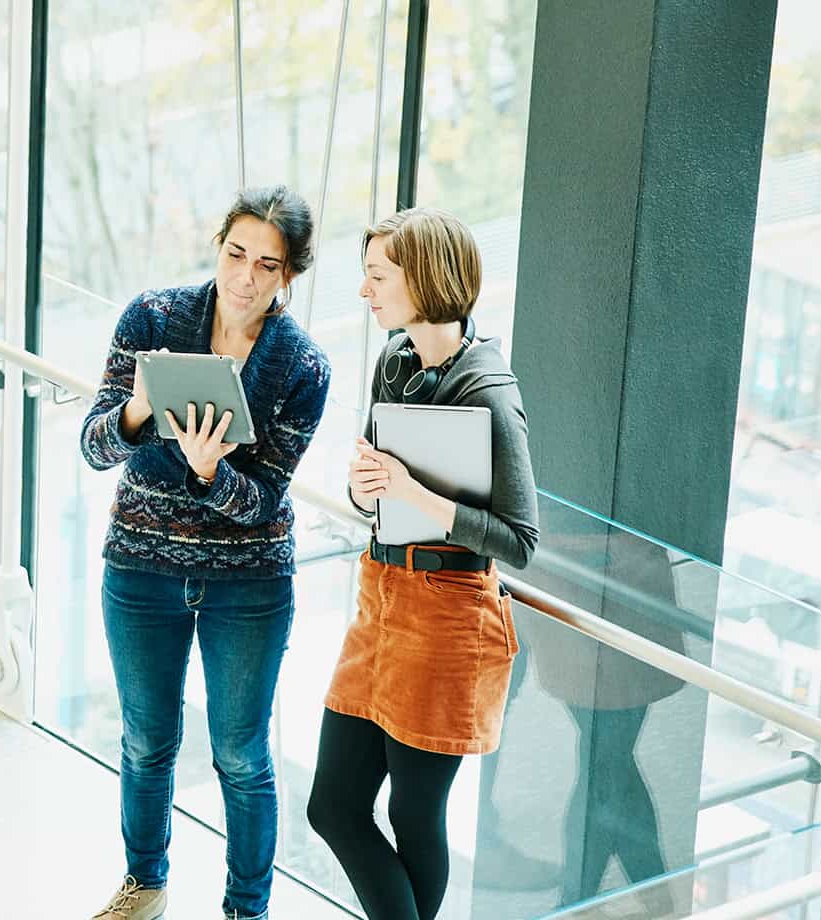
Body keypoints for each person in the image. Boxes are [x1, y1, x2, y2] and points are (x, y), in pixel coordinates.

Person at [80, 185, 331, 920]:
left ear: (289, 276)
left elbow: (267, 503)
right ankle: (145, 886)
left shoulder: (302, 368)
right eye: (235, 254)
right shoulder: (152, 318)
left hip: (247, 588)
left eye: (267, 264)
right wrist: (135, 411)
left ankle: (245, 911)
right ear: (218, 246)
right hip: (140, 568)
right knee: (147, 740)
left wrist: (210, 472)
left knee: (242, 757)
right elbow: (96, 446)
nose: (245, 277)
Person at [307, 207, 539, 920]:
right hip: (382, 600)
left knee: (413, 817)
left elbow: (521, 541)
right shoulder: (396, 359)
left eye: (377, 276)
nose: (364, 292)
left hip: (447, 619)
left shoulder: (489, 391)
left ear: (425, 280)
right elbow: (375, 497)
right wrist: (368, 483)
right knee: (334, 805)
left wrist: (417, 494)